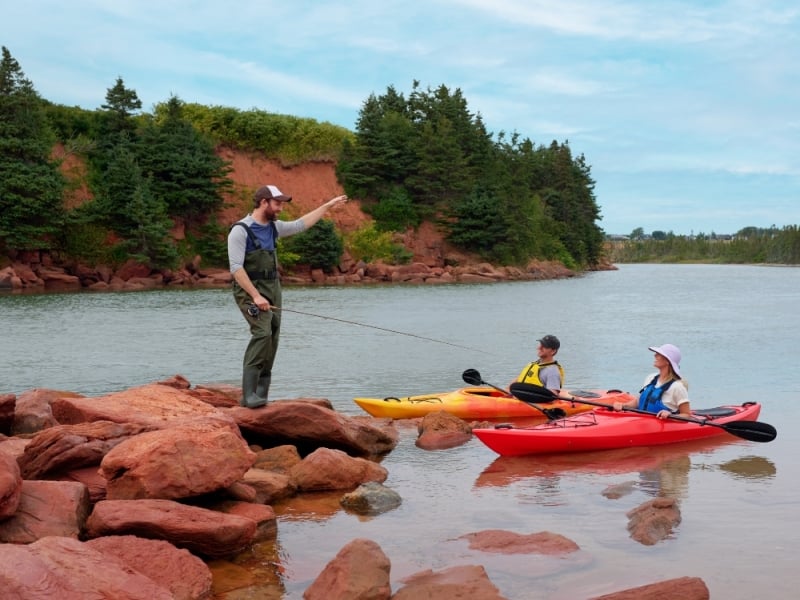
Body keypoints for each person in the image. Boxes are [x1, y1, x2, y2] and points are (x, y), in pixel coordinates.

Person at [228, 184, 347, 408]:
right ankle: (248, 395)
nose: (281, 208)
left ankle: (261, 392)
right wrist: (256, 296)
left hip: (273, 287)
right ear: (264, 202)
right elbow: (236, 269)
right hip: (249, 288)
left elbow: (301, 224)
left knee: (273, 335)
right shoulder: (240, 230)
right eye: (277, 203)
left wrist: (327, 206)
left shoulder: (274, 227)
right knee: (261, 333)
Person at [613, 344, 690, 419]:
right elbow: (638, 401)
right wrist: (623, 405)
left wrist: (670, 415)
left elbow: (686, 414)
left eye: (659, 354)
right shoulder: (651, 378)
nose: (655, 355)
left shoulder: (677, 387)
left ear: (667, 361)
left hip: (661, 427)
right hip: (641, 423)